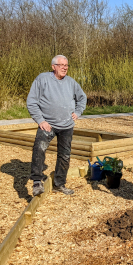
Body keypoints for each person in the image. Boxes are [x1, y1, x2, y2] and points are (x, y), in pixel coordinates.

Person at [27, 55, 87, 196]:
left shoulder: (71, 82)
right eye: (61, 65)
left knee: (65, 156)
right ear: (53, 66)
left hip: (67, 125)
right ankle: (37, 182)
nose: (64, 68)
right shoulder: (42, 79)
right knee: (39, 149)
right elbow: (32, 101)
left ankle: (59, 184)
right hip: (48, 124)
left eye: (66, 65)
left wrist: (78, 112)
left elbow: (82, 98)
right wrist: (41, 120)